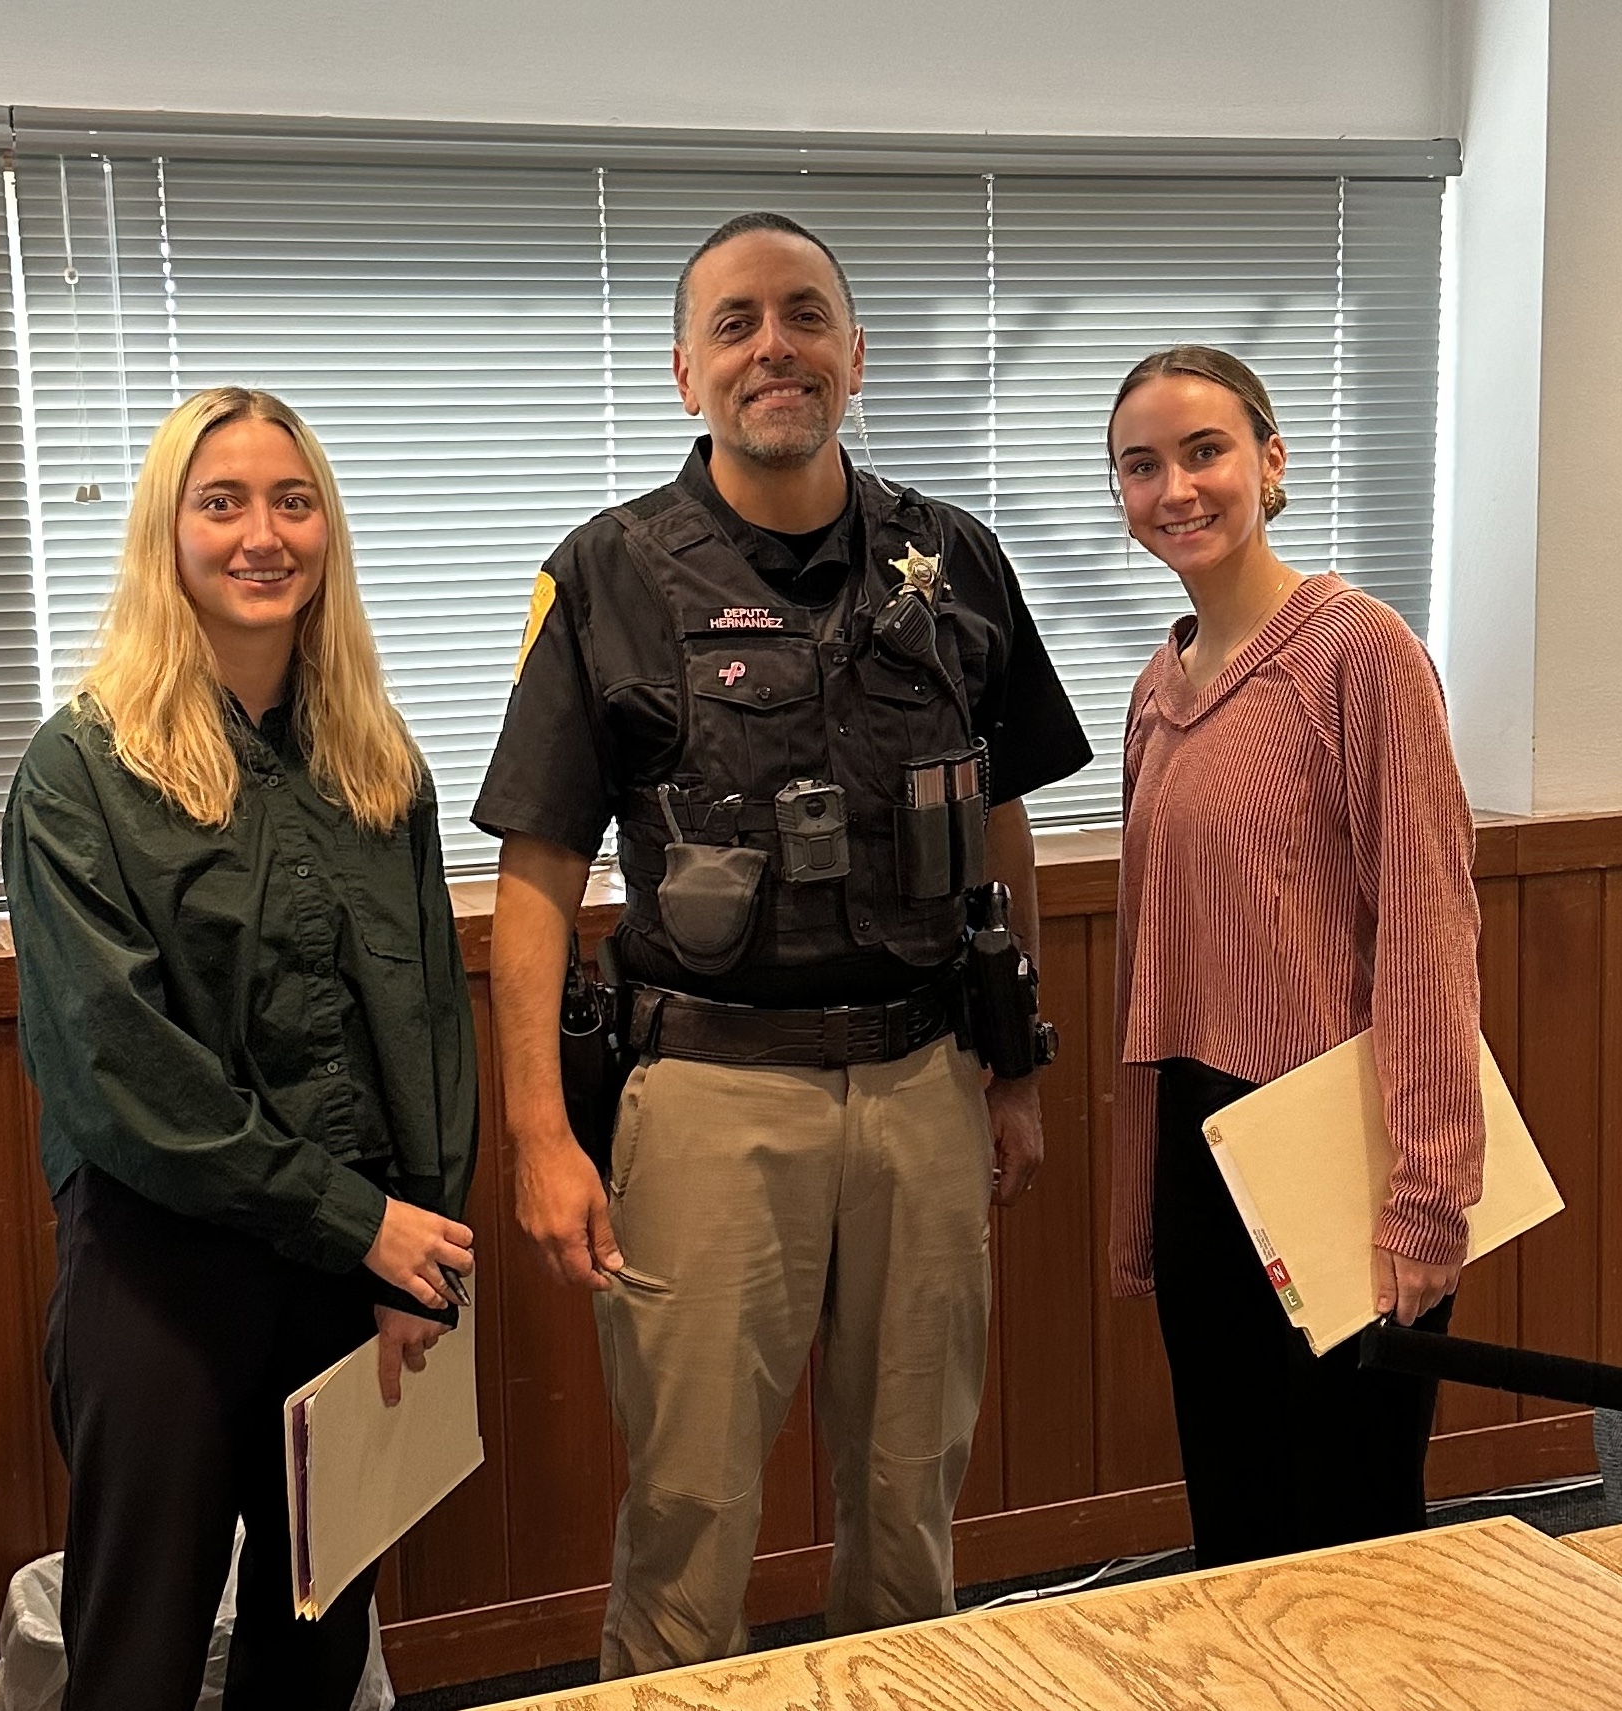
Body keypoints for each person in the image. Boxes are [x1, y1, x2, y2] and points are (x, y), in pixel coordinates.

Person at [475, 212, 1091, 1677]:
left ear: (854, 353)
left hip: (924, 1082)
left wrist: (1016, 1067)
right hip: (708, 1095)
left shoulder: (957, 561)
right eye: (738, 322)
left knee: (910, 1493)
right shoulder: (606, 573)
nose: (775, 347)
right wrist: (539, 1133)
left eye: (805, 315)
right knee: (691, 1503)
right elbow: (538, 876)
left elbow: (1002, 835)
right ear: (685, 367)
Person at [3, 387, 479, 1710]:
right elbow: (118, 1068)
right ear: (168, 533)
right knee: (139, 1654)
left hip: (360, 1260)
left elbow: (432, 1021)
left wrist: (420, 1247)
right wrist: (357, 1219)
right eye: (222, 502)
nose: (262, 533)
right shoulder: (79, 772)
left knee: (317, 1637)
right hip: (162, 1266)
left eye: (292, 499)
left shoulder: (382, 768)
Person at [1105, 345, 1485, 1570]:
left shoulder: (1357, 652)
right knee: (1234, 1511)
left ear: (1270, 462)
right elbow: (1150, 965)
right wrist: (1143, 1196)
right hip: (1202, 1145)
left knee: (1350, 1522)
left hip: (1340, 1142)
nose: (1177, 488)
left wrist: (1429, 1190)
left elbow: (1430, 928)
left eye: (1204, 450)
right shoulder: (1156, 688)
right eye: (1141, 464)